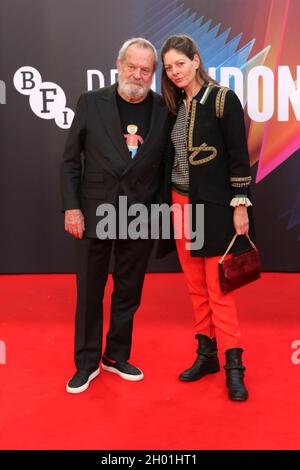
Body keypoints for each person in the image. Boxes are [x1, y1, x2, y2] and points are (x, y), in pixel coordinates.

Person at [61, 38, 169, 394]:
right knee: (90, 291)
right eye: (131, 67)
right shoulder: (91, 102)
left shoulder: (163, 108)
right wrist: (72, 207)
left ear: (153, 74)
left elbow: (166, 168)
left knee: (128, 291)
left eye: (145, 70)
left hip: (141, 214)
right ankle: (87, 361)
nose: (137, 75)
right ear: (118, 64)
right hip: (93, 212)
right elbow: (70, 160)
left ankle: (116, 355)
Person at [159, 35, 255, 401]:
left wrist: (241, 204)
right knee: (195, 285)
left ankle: (234, 365)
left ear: (196, 61)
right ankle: (206, 353)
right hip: (180, 204)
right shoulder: (173, 106)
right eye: (168, 68)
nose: (175, 72)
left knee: (219, 288)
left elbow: (238, 154)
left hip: (214, 207)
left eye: (180, 64)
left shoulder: (221, 99)